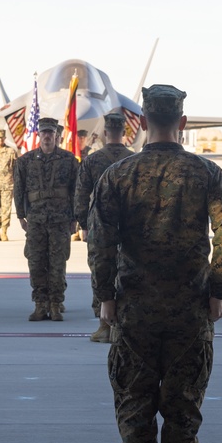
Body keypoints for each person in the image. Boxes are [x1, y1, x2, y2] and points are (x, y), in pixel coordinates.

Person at [88, 84, 222, 443]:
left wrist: (106, 298)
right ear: (183, 122)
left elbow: (100, 244)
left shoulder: (117, 175)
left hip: (133, 311)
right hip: (189, 312)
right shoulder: (207, 173)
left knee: (134, 405)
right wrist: (218, 291)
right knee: (183, 406)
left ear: (140, 123)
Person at [74, 112, 133, 343]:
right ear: (124, 132)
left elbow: (81, 194)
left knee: (101, 271)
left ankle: (104, 325)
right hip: (129, 227)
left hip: (99, 227)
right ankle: (123, 325)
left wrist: (83, 223)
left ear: (105, 132)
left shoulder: (92, 160)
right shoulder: (134, 159)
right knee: (127, 273)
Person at [14, 117, 79, 322]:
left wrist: (75, 218)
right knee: (36, 262)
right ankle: (40, 304)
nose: (47, 136)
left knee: (58, 263)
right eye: (44, 132)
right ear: (39, 135)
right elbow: (19, 190)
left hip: (60, 220)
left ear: (56, 135)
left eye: (51, 132)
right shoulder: (25, 161)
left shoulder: (69, 160)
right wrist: (20, 216)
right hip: (35, 220)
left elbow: (76, 191)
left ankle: (56, 304)